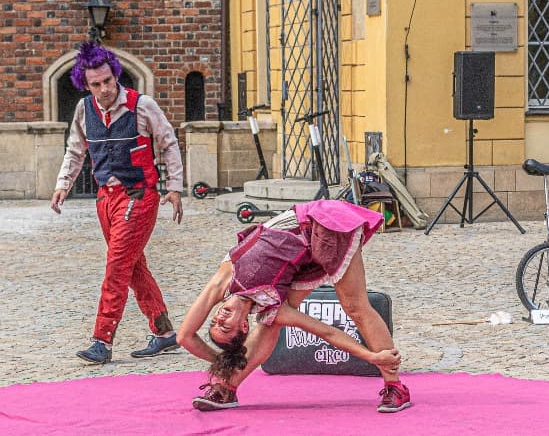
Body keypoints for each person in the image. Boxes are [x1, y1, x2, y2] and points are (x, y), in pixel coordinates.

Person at [177, 199, 411, 413]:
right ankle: (227, 387)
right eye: (226, 327)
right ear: (243, 326)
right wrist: (371, 356)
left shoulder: (222, 281)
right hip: (304, 253)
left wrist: (220, 360)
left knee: (355, 306)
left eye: (215, 322)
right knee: (270, 324)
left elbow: (184, 337)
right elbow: (324, 331)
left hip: (324, 221)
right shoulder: (272, 306)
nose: (219, 318)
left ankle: (395, 386)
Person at [50, 41, 184, 364]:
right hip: (105, 200)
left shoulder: (142, 105)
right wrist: (62, 185)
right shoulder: (84, 109)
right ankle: (165, 332)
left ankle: (102, 340)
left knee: (117, 267)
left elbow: (168, 142)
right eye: (95, 84)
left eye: (108, 80)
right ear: (86, 84)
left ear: (115, 75)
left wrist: (176, 187)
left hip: (139, 196)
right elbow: (75, 150)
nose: (104, 88)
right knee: (133, 265)